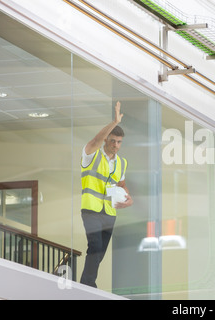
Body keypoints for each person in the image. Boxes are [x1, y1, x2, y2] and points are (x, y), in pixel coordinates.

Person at [80, 101, 133, 288]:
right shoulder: (91, 154)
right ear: (106, 140)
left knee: (100, 253)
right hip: (91, 209)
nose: (116, 145)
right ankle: (87, 285)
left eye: (119, 142)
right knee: (94, 246)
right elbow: (95, 141)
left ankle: (87, 283)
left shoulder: (122, 163)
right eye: (112, 140)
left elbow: (122, 183)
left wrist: (128, 198)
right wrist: (114, 121)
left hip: (109, 213)